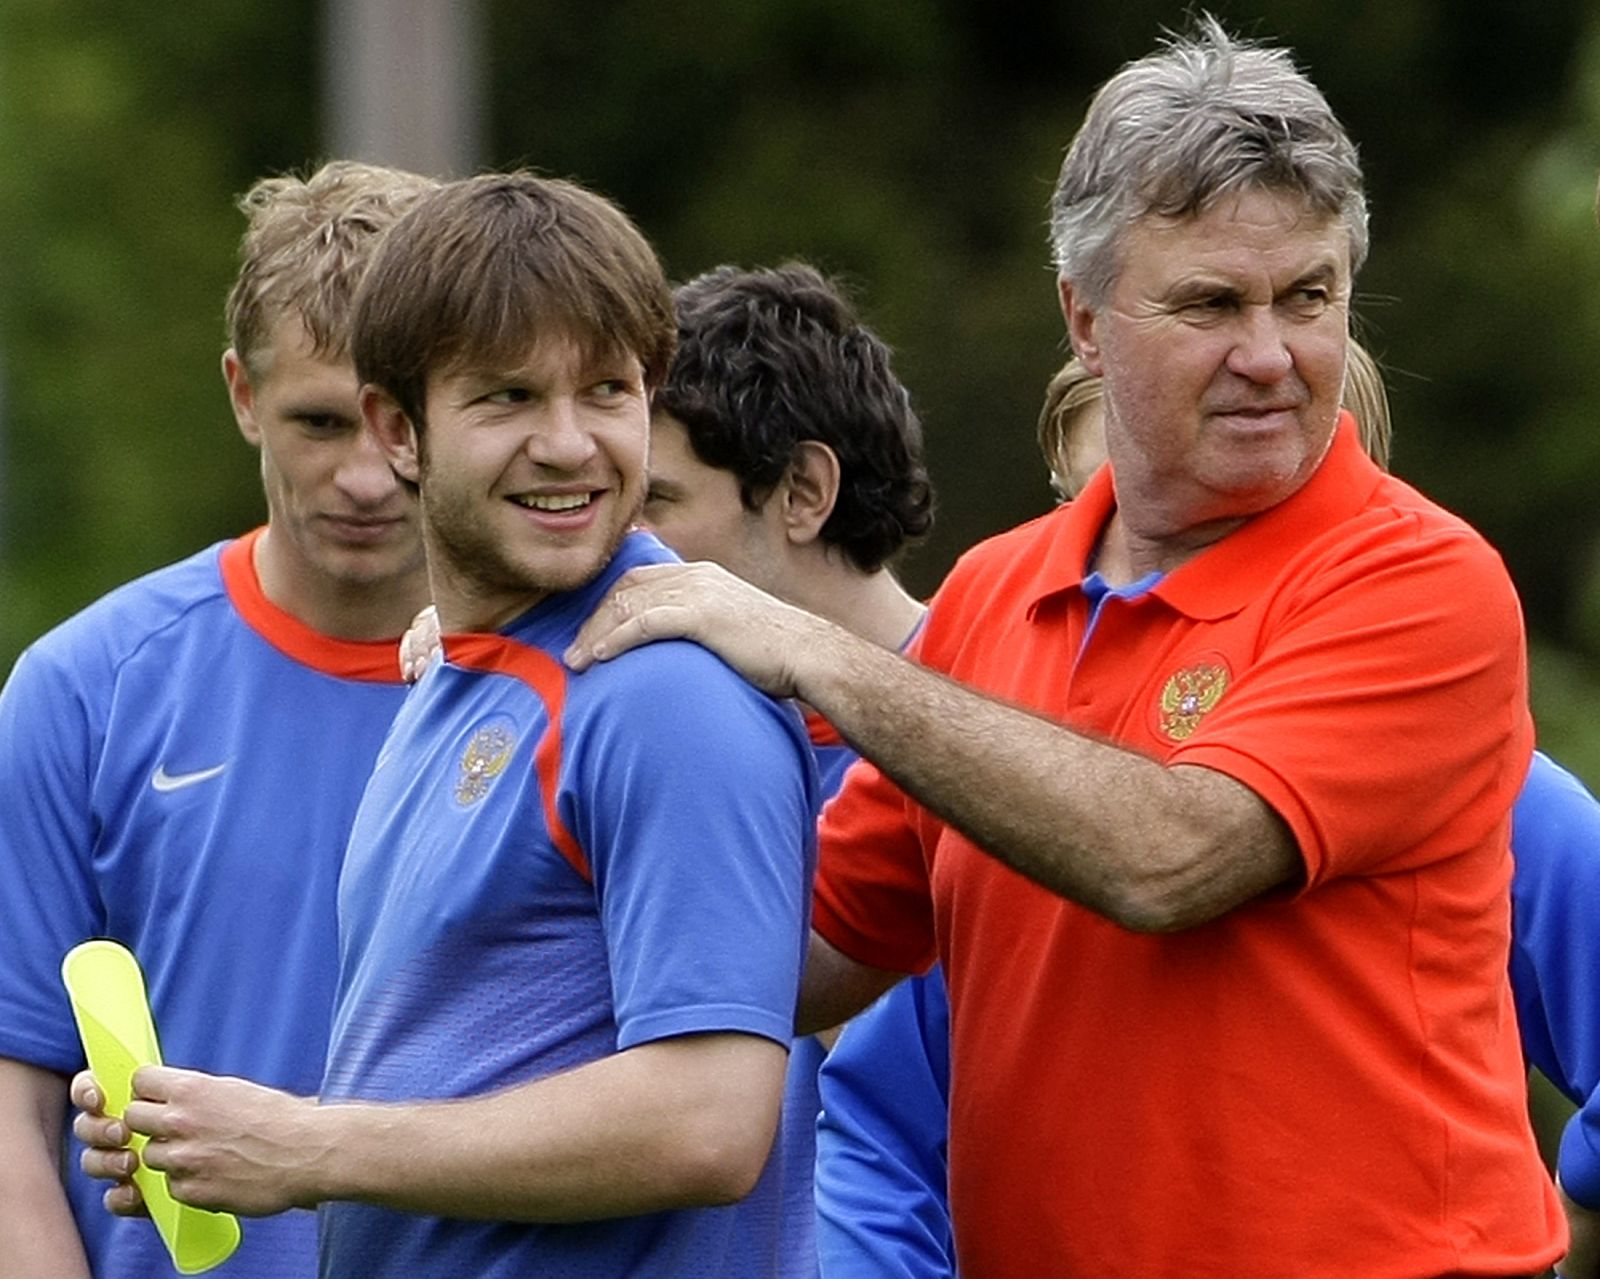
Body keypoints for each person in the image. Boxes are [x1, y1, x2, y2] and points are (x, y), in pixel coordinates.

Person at [568, 17, 1565, 1275]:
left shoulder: (1419, 579)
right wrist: (520, 691)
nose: (1270, 355)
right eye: (1210, 303)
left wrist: (816, 654)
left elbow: (1166, 860)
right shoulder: (996, 591)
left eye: (1308, 297)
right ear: (1082, 321)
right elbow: (803, 957)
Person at [75, 171, 819, 1278]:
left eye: (607, 392)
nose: (569, 445)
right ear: (401, 427)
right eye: (508, 398)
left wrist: (311, 1145)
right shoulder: (458, 673)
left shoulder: (668, 695)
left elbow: (705, 1121)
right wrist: (218, 1143)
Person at [813, 335, 1395, 1278]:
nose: (1122, 545)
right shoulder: (988, 722)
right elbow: (875, 1114)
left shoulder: (1444, 734)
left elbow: (1162, 858)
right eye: (1081, 502)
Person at [0, 161, 436, 1279]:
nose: (365, 475)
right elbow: (13, 1100)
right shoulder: (84, 690)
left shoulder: (583, 682)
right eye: (318, 422)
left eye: (400, 425)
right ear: (244, 394)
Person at [641, 261, 933, 1276]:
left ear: (803, 492)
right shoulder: (652, 730)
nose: (611, 544)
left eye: (656, 503)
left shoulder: (1005, 735)